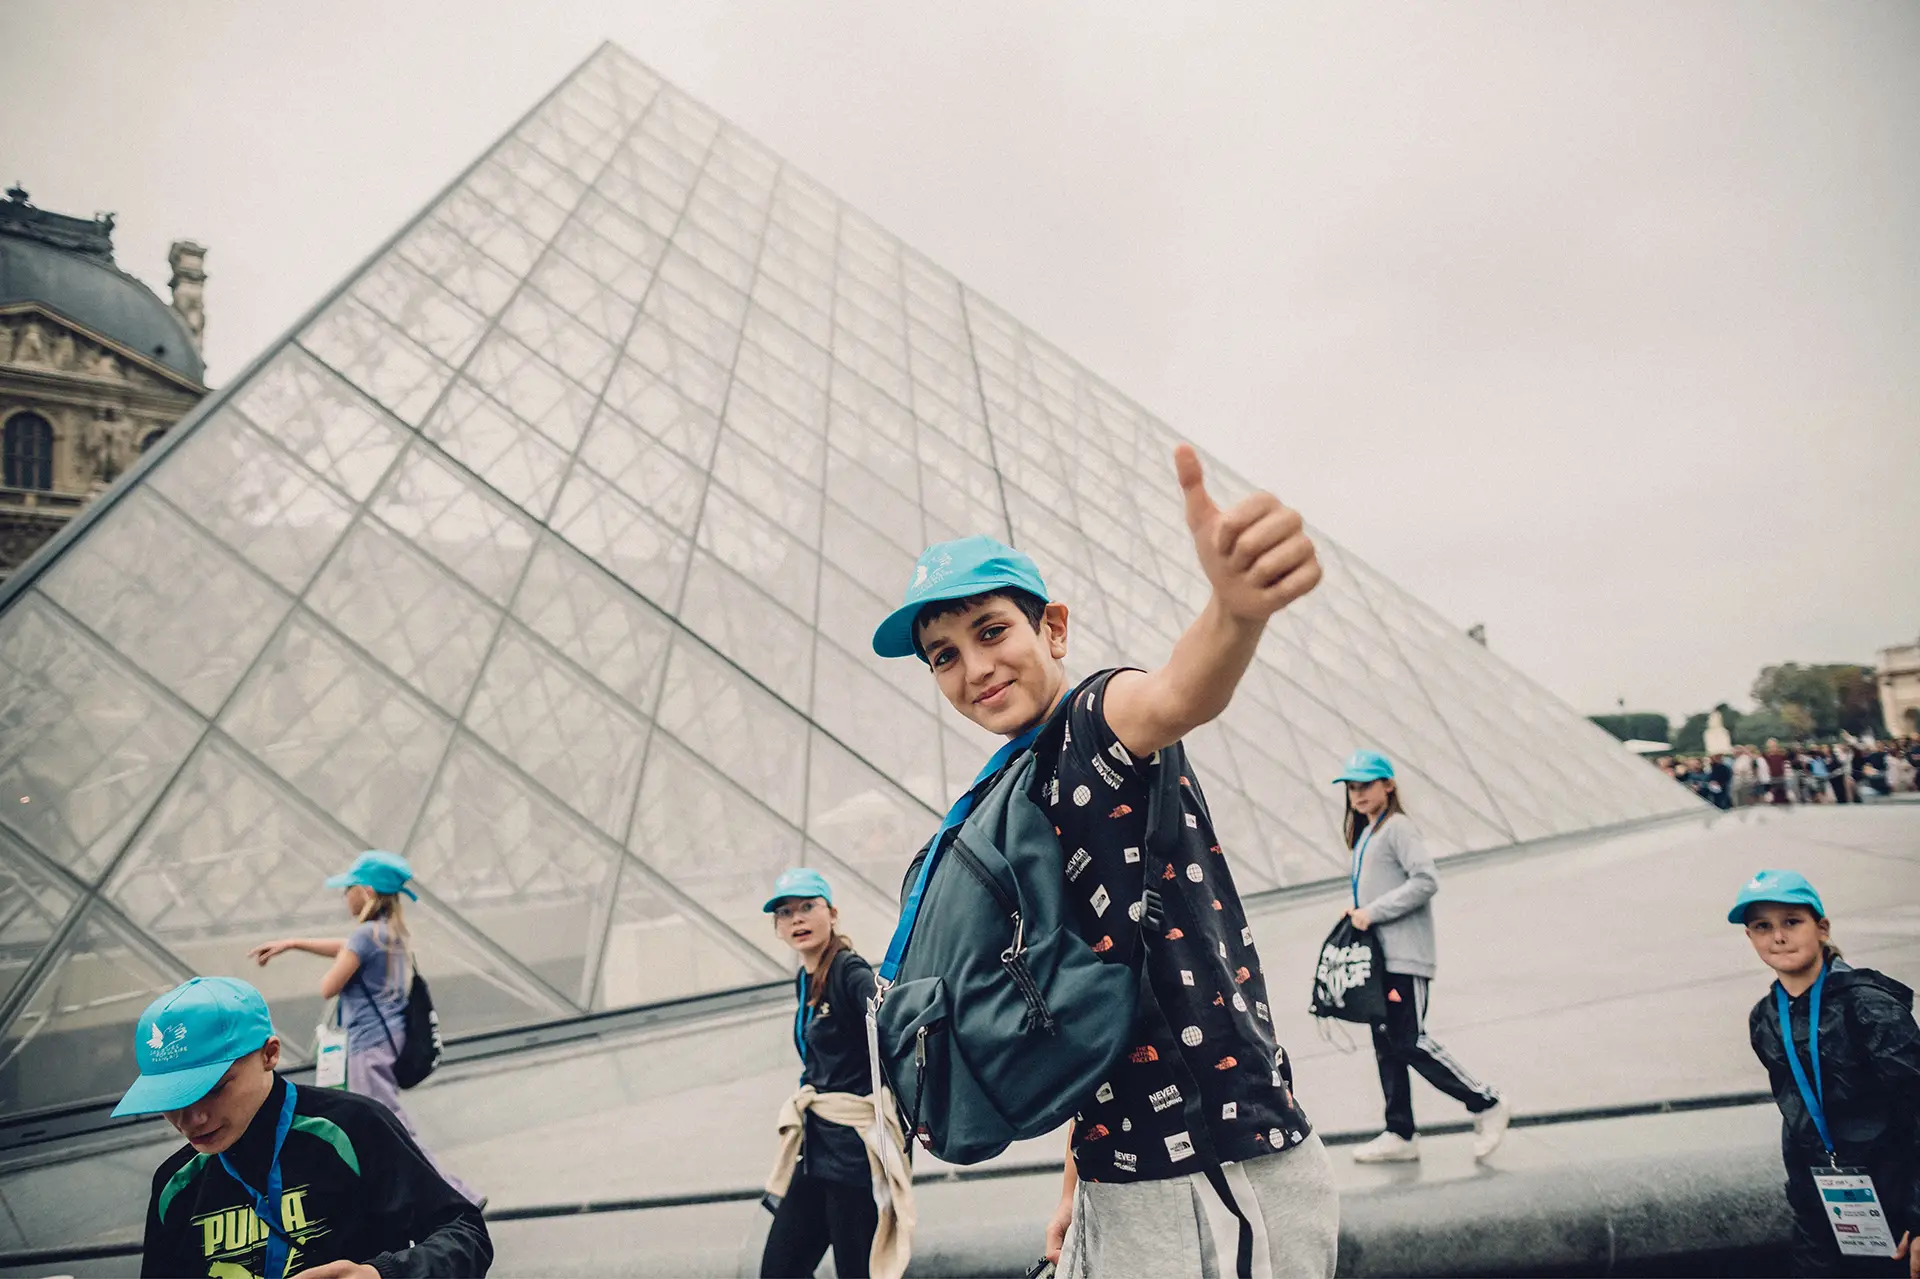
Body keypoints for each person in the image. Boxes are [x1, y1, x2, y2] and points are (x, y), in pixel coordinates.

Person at [872, 444, 1338, 1279]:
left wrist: (1235, 612)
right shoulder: (1026, 779)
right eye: (943, 654)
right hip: (1123, 1168)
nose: (974, 668)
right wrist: (1076, 1183)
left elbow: (1173, 694)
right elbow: (1096, 1000)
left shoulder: (1091, 725)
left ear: (1053, 626)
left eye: (991, 630)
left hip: (1217, 1163)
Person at [120, 976, 492, 1278]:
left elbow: (465, 1232)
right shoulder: (175, 1183)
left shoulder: (352, 1127)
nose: (192, 1119)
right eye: (170, 1101)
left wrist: (380, 1275)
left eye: (215, 1089)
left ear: (270, 1054)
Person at [249, 850, 480, 1205]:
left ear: (367, 893)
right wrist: (293, 943)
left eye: (349, 888)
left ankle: (455, 1195)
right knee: (377, 1121)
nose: (345, 896)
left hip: (366, 1045)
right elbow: (345, 946)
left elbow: (329, 986)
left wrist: (330, 956)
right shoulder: (390, 933)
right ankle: (387, 1194)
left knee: (392, 1126)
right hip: (389, 1040)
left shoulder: (364, 936)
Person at [1731, 870, 1920, 1277]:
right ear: (1750, 938)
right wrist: (1806, 1207)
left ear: (1822, 928)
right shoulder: (1765, 1018)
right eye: (1763, 926)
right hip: (1825, 1214)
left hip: (1899, 1208)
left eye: (1791, 922)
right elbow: (1796, 1118)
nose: (1778, 937)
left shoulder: (1869, 1007)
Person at [1333, 751, 1508, 1165]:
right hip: (1382, 961)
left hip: (1405, 958)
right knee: (1387, 1045)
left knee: (1410, 1040)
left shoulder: (1398, 828)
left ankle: (1486, 1103)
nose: (1357, 794)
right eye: (1351, 787)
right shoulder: (1368, 833)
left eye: (1365, 785)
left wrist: (1371, 912)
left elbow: (1426, 880)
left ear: (1388, 785)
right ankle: (1400, 1132)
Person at [760, 868, 912, 1279]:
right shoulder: (805, 980)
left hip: (853, 1157)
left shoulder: (848, 972)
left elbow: (892, 1022)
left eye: (808, 907)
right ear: (777, 927)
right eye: (786, 913)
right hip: (818, 1150)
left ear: (833, 913)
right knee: (779, 1269)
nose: (797, 919)